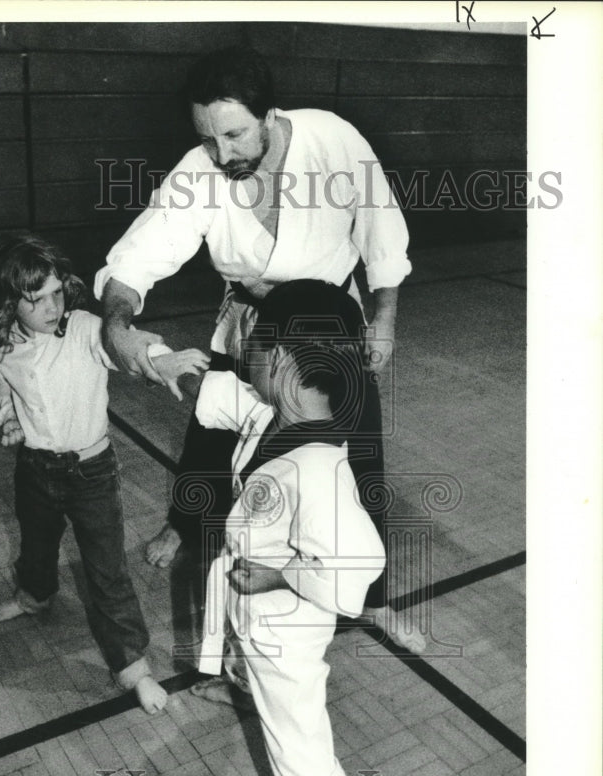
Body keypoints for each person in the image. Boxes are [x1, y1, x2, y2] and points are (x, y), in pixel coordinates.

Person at [92, 45, 424, 656]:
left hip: (327, 328)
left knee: (362, 464)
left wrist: (385, 318)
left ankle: (375, 598)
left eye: (235, 134)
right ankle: (186, 523)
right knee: (212, 437)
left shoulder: (333, 140)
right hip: (250, 324)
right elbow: (138, 257)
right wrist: (118, 322)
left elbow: (381, 229)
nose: (223, 154)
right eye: (209, 138)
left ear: (270, 114)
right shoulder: (200, 170)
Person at [197, 282, 386, 776]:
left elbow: (359, 574)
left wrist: (281, 570)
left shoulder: (317, 467)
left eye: (253, 341)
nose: (242, 352)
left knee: (299, 756)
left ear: (279, 360)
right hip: (259, 627)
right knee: (286, 743)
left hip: (286, 642)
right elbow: (212, 393)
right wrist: (148, 354)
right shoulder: (280, 417)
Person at [0, 233, 208, 714]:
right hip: (35, 469)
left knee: (107, 572)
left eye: (57, 293)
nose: (52, 306)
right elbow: (7, 396)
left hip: (91, 473)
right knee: (36, 544)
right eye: (36, 299)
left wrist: (161, 360)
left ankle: (134, 668)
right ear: (10, 304)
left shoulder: (85, 328)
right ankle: (35, 597)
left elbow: (124, 349)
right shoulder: (4, 348)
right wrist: (11, 422)